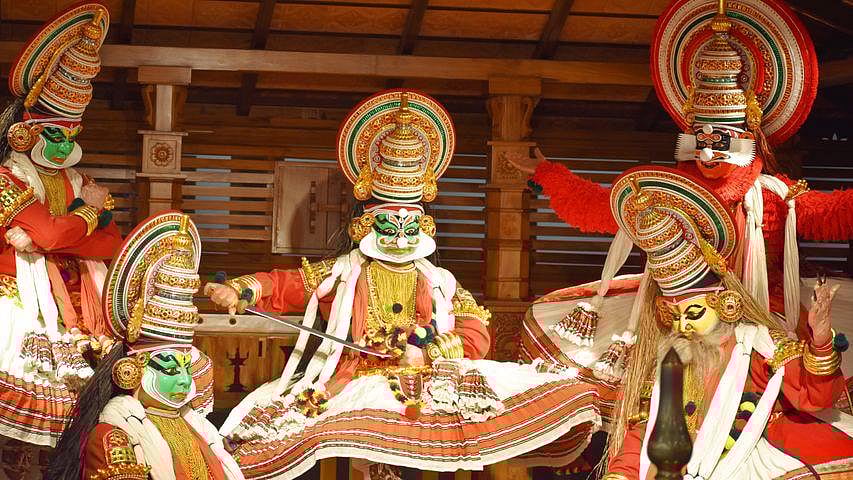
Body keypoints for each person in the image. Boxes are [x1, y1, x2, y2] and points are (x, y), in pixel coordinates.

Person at [207, 90, 602, 480]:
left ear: (424, 226)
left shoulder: (440, 283)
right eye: (389, 224)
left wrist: (426, 352)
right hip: (354, 382)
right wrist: (241, 290)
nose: (400, 236)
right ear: (366, 224)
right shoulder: (343, 273)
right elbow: (284, 284)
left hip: (429, 381)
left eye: (409, 224)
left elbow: (476, 330)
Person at [517, 0, 853, 383]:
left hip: (756, 325)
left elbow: (834, 212)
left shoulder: (773, 195)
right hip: (674, 321)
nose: (708, 152)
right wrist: (547, 173)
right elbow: (600, 207)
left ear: (746, 137)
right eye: (701, 139)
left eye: (721, 140)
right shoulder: (666, 191)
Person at [597, 166, 852, 480]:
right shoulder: (668, 363)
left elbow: (815, 397)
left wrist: (821, 341)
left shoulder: (758, 346)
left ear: (724, 305)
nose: (682, 327)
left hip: (747, 460)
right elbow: (645, 429)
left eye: (693, 314)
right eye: (673, 317)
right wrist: (620, 474)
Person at [0, 1, 123, 461]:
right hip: (15, 297)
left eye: (71, 133)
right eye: (55, 133)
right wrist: (84, 217)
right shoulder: (7, 180)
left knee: (81, 413)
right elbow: (54, 236)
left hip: (77, 305)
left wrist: (52, 234)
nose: (65, 143)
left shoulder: (80, 183)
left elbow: (111, 243)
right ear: (25, 133)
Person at [46, 212, 244, 480]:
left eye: (187, 370)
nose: (186, 382)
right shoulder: (115, 436)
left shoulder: (198, 430)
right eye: (171, 371)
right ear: (132, 371)